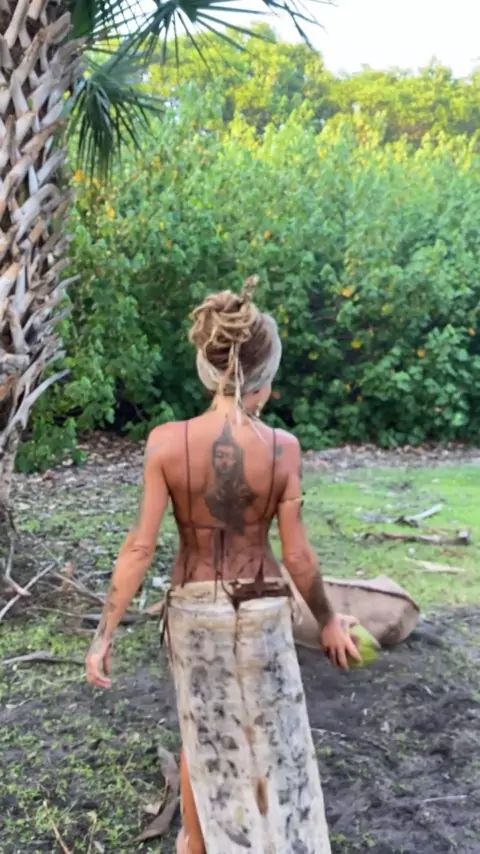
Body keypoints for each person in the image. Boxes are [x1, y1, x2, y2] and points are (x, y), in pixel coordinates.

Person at [86, 278, 360, 854]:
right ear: (263, 379)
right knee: (274, 737)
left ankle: (196, 842)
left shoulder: (167, 443)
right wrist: (329, 619)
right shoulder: (283, 448)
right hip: (263, 609)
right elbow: (298, 556)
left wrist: (104, 633)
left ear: (208, 369)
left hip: (194, 611)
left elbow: (139, 549)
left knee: (202, 729)